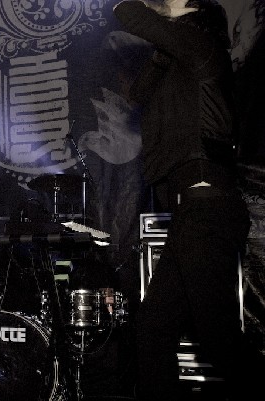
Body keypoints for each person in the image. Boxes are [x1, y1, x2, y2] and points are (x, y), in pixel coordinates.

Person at [113, 1, 264, 400]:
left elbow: (129, 13)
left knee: (217, 336)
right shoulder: (180, 57)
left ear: (194, 9)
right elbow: (140, 93)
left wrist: (153, 14)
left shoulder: (203, 47)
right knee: (153, 330)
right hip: (191, 212)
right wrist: (163, 51)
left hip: (207, 207)